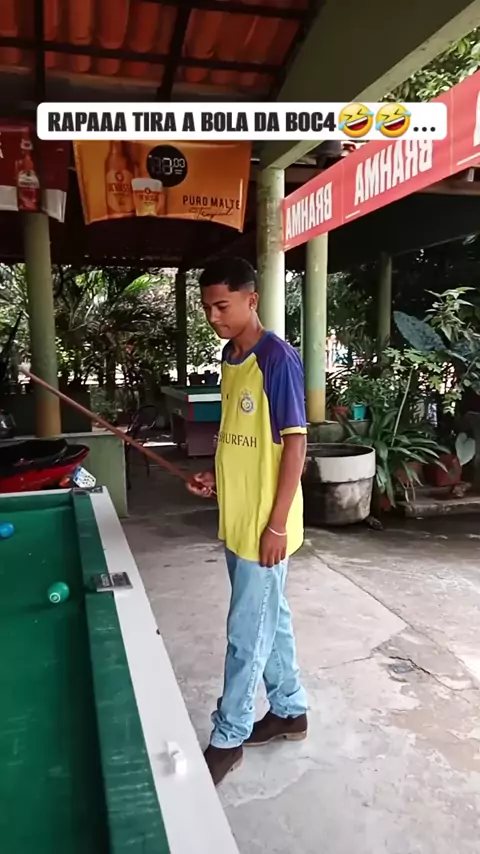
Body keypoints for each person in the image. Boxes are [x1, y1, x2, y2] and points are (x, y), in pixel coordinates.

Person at [187, 257, 308, 787]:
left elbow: (295, 445)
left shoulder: (277, 359)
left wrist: (276, 525)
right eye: (207, 308)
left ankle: (228, 735)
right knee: (268, 620)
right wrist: (214, 477)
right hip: (237, 516)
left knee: (246, 633)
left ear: (251, 300)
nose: (213, 317)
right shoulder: (229, 356)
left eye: (222, 306)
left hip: (264, 525)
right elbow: (242, 436)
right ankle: (290, 709)